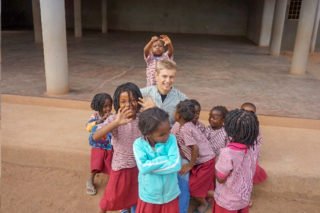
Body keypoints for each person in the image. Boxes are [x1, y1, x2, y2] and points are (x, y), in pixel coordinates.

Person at [93, 82, 142, 213]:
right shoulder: (114, 119)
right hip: (121, 167)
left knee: (132, 195)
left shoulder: (143, 118)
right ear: (117, 103)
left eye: (133, 100)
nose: (129, 104)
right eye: (124, 101)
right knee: (110, 197)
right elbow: (96, 136)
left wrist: (153, 107)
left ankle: (126, 210)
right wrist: (116, 123)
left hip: (138, 167)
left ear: (139, 100)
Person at [133, 107, 181, 213]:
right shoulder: (138, 144)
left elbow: (176, 165)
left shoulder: (171, 139)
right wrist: (166, 158)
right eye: (162, 135)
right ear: (148, 134)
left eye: (169, 130)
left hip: (170, 194)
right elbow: (143, 168)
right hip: (149, 197)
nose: (168, 135)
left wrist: (150, 167)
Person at [172, 100, 215, 213]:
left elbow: (195, 148)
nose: (173, 113)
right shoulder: (185, 125)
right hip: (203, 160)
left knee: (193, 187)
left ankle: (214, 199)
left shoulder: (185, 129)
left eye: (175, 111)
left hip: (205, 162)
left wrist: (190, 165)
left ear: (179, 115)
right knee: (199, 184)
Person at [214, 109, 259, 213]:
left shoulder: (227, 153)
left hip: (227, 200)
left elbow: (221, 179)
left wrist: (216, 165)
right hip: (243, 197)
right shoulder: (254, 147)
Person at [139, 59, 187, 126]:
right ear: (156, 75)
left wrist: (155, 110)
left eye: (171, 77)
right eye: (164, 76)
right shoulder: (143, 93)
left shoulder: (182, 99)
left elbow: (185, 125)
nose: (168, 80)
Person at [86, 93, 113, 196]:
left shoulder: (112, 116)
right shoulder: (95, 116)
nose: (108, 108)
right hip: (97, 145)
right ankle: (90, 180)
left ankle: (112, 184)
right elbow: (88, 128)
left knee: (110, 164)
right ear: (99, 106)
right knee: (96, 164)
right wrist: (100, 121)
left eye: (110, 105)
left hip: (109, 145)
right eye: (105, 106)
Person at [240, 102, 267, 207]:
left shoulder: (256, 128)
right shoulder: (235, 123)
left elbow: (256, 145)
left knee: (247, 176)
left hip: (249, 155)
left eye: (250, 113)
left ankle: (247, 196)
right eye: (243, 111)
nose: (246, 114)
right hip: (236, 153)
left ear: (255, 115)